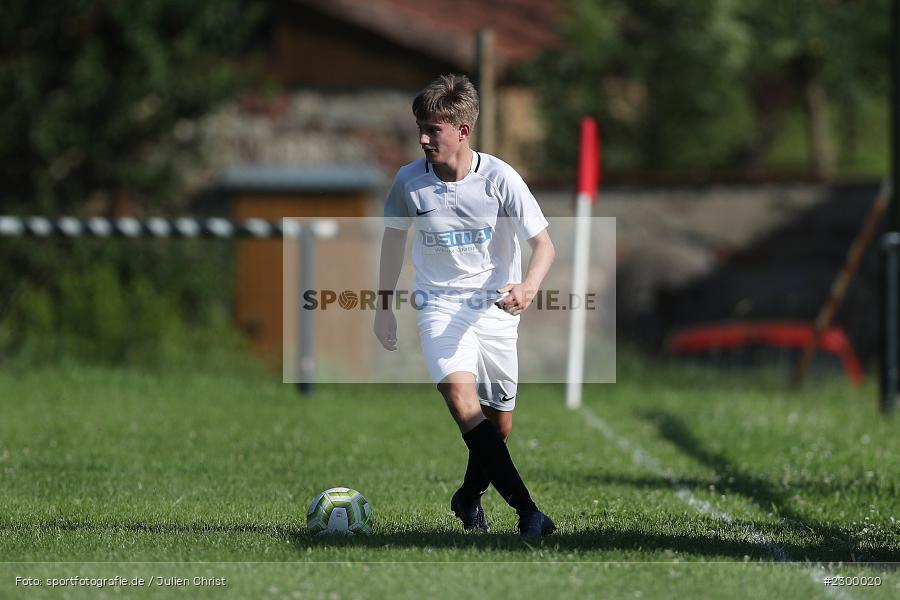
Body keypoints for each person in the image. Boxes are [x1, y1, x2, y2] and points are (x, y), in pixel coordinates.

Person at [374, 74, 556, 537]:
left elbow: (544, 246)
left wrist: (527, 287)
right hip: (437, 306)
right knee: (460, 399)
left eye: (433, 129)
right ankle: (528, 512)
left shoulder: (500, 178)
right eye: (420, 127)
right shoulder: (409, 182)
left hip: (495, 312)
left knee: (501, 426)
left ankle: (468, 496)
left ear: (462, 131)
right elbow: (393, 242)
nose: (423, 138)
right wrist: (383, 305)